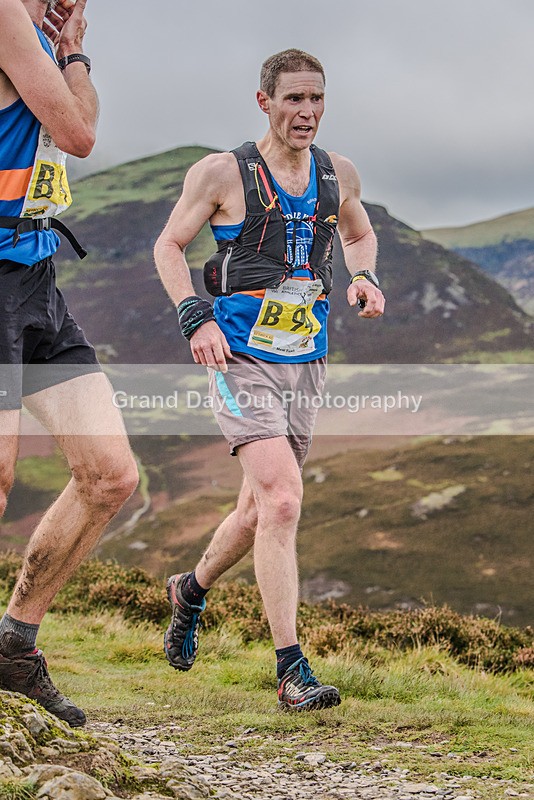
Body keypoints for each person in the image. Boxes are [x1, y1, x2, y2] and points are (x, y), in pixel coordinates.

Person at [154, 49, 385, 710]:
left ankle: (190, 589)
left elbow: (358, 235)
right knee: (283, 501)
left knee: (258, 509)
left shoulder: (338, 174)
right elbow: (169, 246)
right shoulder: (222, 173)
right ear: (264, 102)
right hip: (239, 358)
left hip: (305, 359)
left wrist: (364, 277)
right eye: (293, 99)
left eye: (316, 99)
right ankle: (291, 672)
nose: (306, 112)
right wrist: (194, 316)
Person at [0, 0, 138, 727]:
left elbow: (69, 129)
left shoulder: (40, 40)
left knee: (110, 474)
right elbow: (80, 133)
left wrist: (69, 52)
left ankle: (12, 645)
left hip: (34, 279)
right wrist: (74, 54)